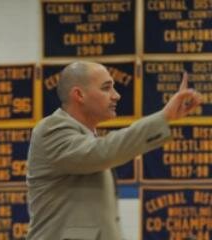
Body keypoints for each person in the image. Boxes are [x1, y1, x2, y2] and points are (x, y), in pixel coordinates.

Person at [26, 61, 202, 240]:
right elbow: (104, 151)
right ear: (79, 95)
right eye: (106, 88)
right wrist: (164, 116)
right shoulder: (51, 130)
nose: (116, 96)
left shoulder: (86, 138)